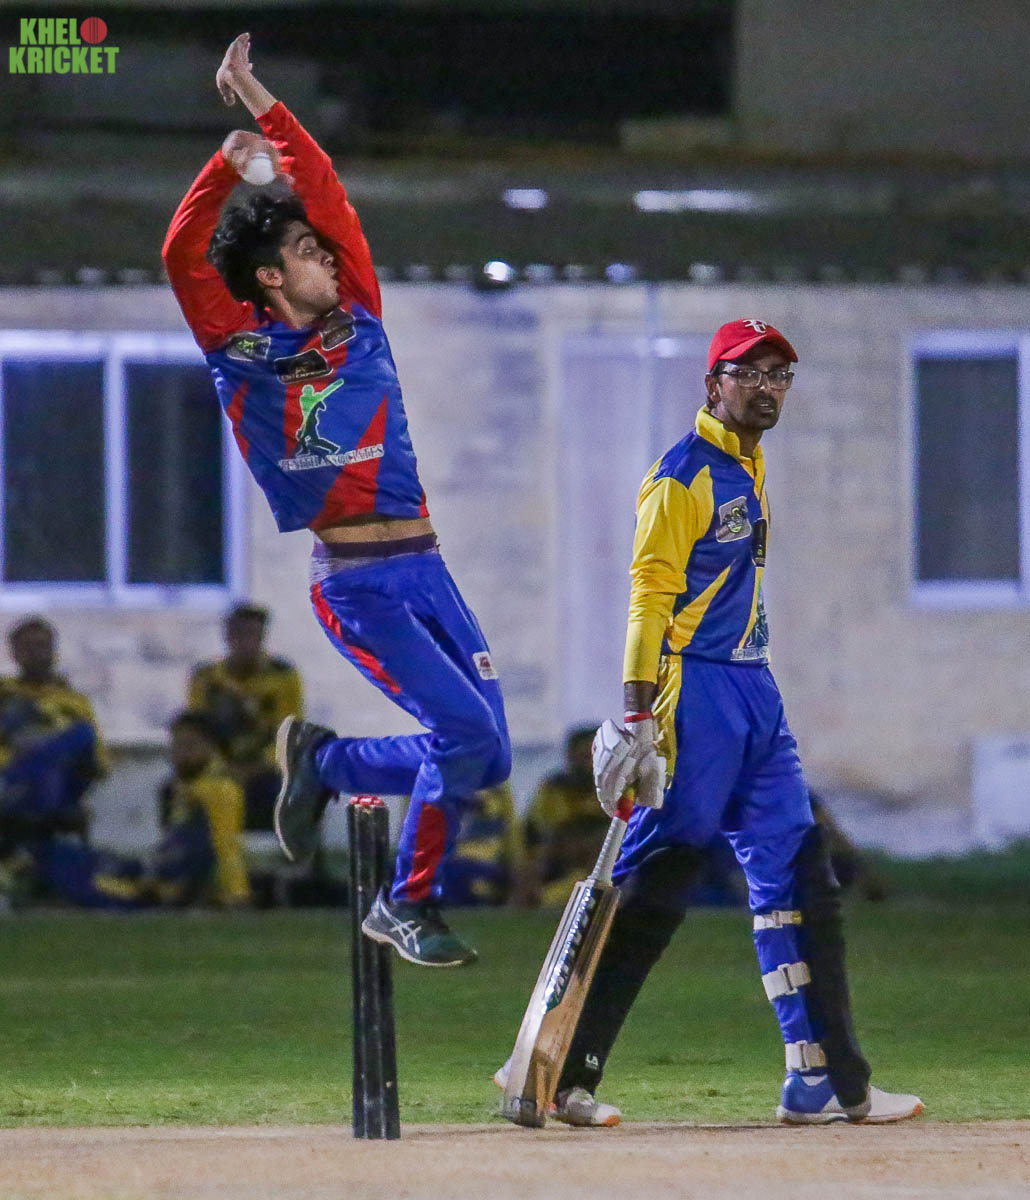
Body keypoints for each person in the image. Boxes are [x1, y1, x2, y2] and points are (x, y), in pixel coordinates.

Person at [507, 318, 923, 1127]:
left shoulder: (749, 463)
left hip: (754, 688)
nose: (767, 388)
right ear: (713, 384)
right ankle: (565, 1073)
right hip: (692, 688)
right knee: (660, 876)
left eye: (779, 375)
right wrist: (638, 711)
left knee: (800, 873)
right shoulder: (682, 476)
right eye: (750, 373)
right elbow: (648, 594)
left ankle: (827, 1082)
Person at [162, 33, 509, 967]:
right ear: (271, 277)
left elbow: (325, 190)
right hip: (356, 583)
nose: (326, 256)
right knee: (462, 733)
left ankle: (327, 762)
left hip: (427, 567)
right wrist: (224, 167)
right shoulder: (238, 348)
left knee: (488, 756)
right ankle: (405, 903)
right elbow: (182, 254)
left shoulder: (360, 314)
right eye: (306, 252)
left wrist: (260, 101)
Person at [3, 712, 247, 910]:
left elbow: (226, 846)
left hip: (159, 888)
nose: (180, 754)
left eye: (190, 746)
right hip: (152, 872)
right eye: (176, 746)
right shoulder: (179, 788)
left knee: (66, 866)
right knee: (67, 854)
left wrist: (236, 895)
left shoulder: (219, 789)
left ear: (213, 748)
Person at [189, 603, 303, 830]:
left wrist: (257, 767)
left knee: (292, 796)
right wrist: (222, 766)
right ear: (228, 637)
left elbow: (290, 735)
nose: (246, 643)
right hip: (218, 769)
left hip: (267, 771)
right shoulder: (206, 678)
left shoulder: (283, 677)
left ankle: (293, 852)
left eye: (253, 635)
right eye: (240, 635)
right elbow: (196, 732)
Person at [0, 617, 106, 847]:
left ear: (53, 650)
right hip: (13, 778)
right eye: (27, 647)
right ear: (14, 654)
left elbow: (98, 760)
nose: (36, 653)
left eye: (42, 646)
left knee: (82, 734)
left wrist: (50, 750)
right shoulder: (5, 694)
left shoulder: (74, 701)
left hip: (62, 783)